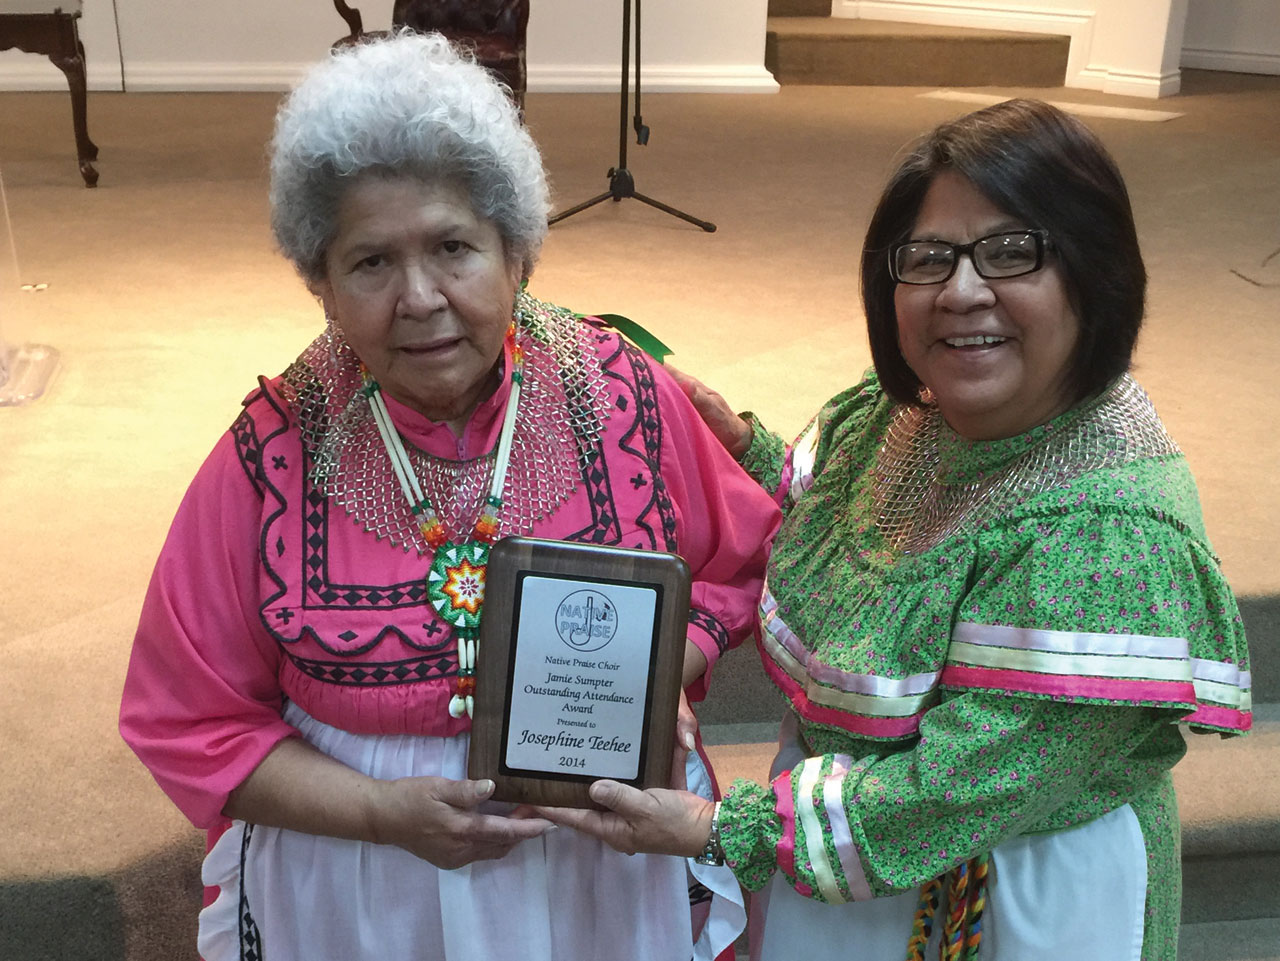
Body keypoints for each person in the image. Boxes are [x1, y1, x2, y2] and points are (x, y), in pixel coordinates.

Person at [118, 32, 779, 961]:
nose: (420, 297)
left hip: (602, 861)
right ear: (323, 286)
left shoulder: (621, 391)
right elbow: (186, 718)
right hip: (365, 882)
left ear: (518, 254)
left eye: (454, 247)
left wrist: (662, 669)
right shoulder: (268, 451)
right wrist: (384, 812)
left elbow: (741, 560)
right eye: (371, 263)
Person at [543, 98, 1253, 961]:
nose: (961, 290)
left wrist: (712, 825)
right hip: (838, 861)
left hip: (1011, 898)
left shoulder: (1111, 530)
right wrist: (743, 445)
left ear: (1095, 274)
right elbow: (859, 529)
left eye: (1011, 252)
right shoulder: (902, 416)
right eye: (928, 257)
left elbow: (963, 786)